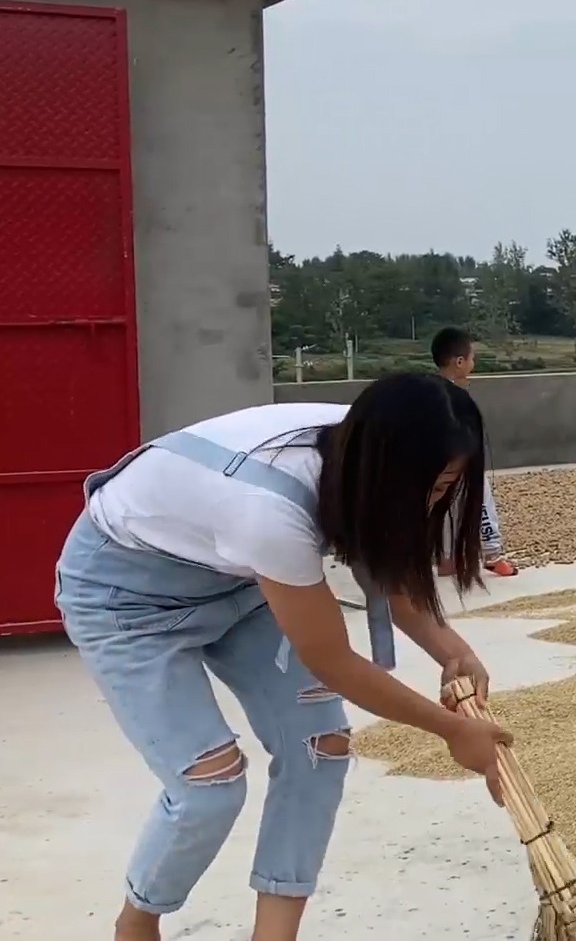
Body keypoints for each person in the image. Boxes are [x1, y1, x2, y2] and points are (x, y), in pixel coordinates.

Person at [54, 373, 513, 941]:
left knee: (320, 747)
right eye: (431, 485)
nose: (433, 502)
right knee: (209, 784)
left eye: (446, 486)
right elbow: (331, 660)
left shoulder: (377, 440)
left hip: (241, 585)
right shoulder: (270, 505)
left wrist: (454, 650)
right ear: (386, 468)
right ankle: (138, 923)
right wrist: (448, 729)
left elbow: (391, 571)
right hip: (126, 599)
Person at [430, 326, 517, 578]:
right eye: (471, 358)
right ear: (459, 362)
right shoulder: (454, 397)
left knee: (442, 508)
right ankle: (492, 554)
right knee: (480, 499)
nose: (472, 364)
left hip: (435, 464)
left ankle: (446, 559)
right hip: (458, 460)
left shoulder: (428, 390)